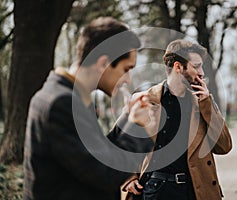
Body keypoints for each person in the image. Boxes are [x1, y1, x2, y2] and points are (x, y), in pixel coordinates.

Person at [23, 17, 154, 200]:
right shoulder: (63, 103)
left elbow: (96, 155)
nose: (128, 80)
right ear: (102, 64)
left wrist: (128, 117)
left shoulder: (65, 95)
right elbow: (108, 173)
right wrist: (138, 126)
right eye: (126, 69)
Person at [122, 39, 232, 200]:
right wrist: (128, 177)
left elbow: (224, 146)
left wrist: (207, 106)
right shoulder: (146, 99)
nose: (202, 72)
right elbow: (121, 144)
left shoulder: (202, 102)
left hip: (193, 190)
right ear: (178, 67)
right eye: (196, 66)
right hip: (154, 191)